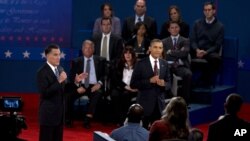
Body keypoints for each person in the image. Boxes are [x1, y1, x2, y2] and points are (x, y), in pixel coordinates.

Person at [130, 39, 171, 129]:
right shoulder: (140, 63)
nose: (157, 50)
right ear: (150, 48)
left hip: (159, 106)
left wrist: (164, 84)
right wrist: (149, 81)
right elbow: (133, 84)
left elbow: (169, 84)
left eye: (160, 48)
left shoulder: (165, 64)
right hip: (144, 105)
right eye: (155, 47)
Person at [66, 40, 106, 129]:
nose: (88, 50)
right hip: (81, 86)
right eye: (86, 48)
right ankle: (68, 118)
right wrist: (77, 83)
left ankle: (87, 119)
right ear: (82, 49)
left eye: (90, 48)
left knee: (98, 93)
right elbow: (72, 77)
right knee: (69, 96)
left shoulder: (101, 60)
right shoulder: (76, 61)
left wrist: (99, 83)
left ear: (93, 49)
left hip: (94, 86)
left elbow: (105, 75)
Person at [36, 44, 67, 141]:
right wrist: (59, 81)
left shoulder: (60, 69)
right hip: (48, 115)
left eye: (59, 54)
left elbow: (65, 90)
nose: (58, 57)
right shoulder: (41, 72)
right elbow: (45, 93)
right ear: (47, 55)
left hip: (60, 115)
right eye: (55, 55)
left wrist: (76, 82)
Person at [190, 1, 224, 87]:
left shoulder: (220, 26)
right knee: (185, 54)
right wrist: (197, 50)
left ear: (214, 11)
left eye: (209, 10)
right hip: (197, 51)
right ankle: (188, 82)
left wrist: (206, 52)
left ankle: (202, 81)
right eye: (205, 10)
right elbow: (192, 40)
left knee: (216, 59)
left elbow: (217, 45)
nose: (207, 12)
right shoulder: (197, 23)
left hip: (209, 53)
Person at [162, 21, 192, 104]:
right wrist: (178, 52)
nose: (174, 29)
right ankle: (168, 96)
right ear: (169, 30)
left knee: (188, 74)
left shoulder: (185, 40)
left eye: (176, 27)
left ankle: (185, 101)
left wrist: (171, 52)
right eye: (172, 28)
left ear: (179, 28)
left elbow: (184, 53)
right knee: (166, 71)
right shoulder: (164, 41)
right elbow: (164, 55)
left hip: (180, 66)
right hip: (168, 66)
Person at [110, 46, 138, 125]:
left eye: (129, 53)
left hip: (133, 88)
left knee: (125, 95)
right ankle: (120, 119)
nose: (127, 55)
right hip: (122, 87)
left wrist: (134, 88)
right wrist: (125, 86)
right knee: (114, 94)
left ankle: (126, 119)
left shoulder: (138, 66)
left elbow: (140, 78)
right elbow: (115, 79)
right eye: (126, 53)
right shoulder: (119, 64)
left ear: (133, 55)